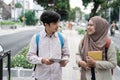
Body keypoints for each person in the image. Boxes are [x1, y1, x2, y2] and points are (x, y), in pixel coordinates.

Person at [26, 10, 70, 80]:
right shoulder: (36, 38)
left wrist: (64, 61)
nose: (58, 25)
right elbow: (30, 57)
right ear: (46, 24)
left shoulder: (62, 38)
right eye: (55, 23)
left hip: (57, 77)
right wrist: (42, 60)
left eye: (58, 22)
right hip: (41, 77)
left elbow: (66, 55)